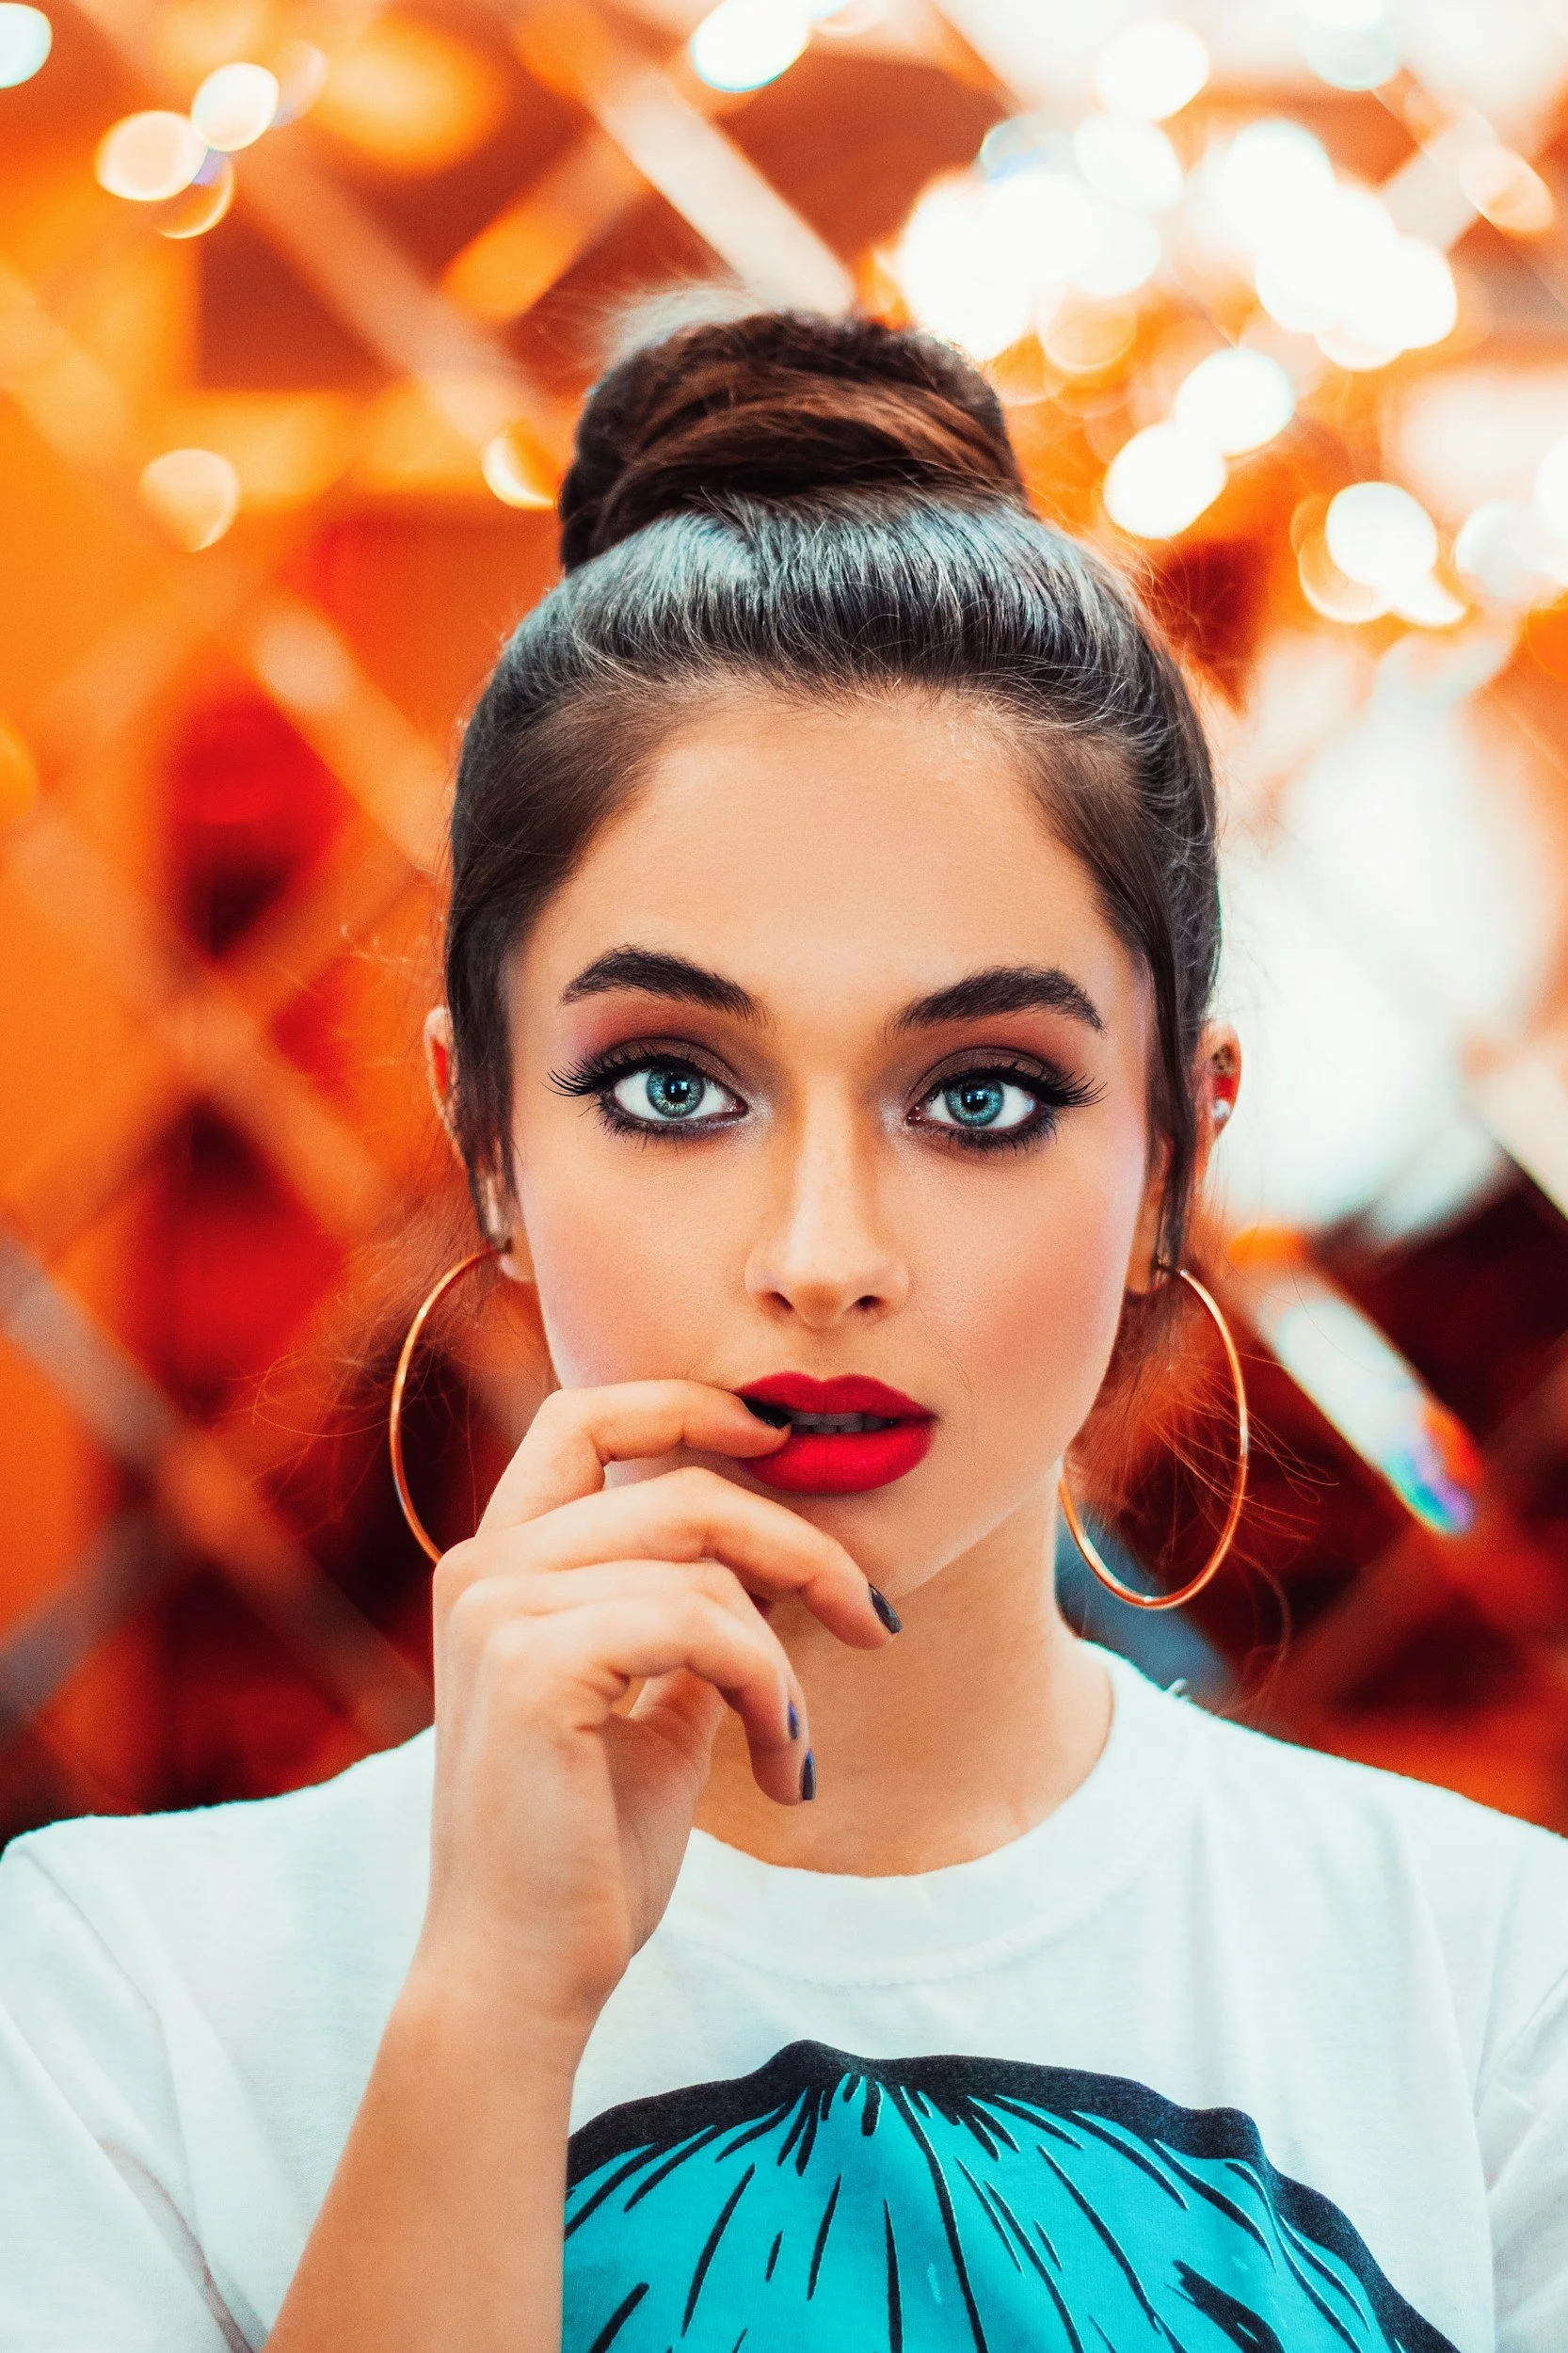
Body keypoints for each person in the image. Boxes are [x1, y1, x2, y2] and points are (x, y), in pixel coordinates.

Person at [1, 307, 1564, 2353]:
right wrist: (490, 2003)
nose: (821, 1253)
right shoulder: (120, 1998)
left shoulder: (1491, 1991)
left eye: (980, 1092)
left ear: (1179, 1141)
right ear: (481, 1129)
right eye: (670, 1082)